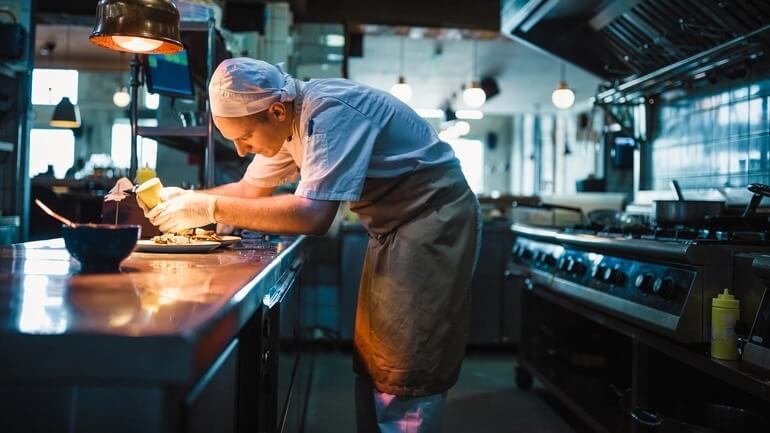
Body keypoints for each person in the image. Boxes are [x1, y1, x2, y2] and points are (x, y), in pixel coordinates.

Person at [141, 58, 481, 432]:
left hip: (432, 221)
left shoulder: (328, 114)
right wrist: (184, 200)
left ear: (274, 110)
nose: (240, 151)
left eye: (245, 138)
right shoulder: (287, 124)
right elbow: (247, 191)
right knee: (380, 359)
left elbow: (313, 216)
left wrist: (208, 206)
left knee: (409, 362)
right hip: (394, 228)